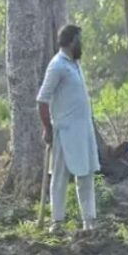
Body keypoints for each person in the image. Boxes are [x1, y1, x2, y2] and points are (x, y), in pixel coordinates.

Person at [37, 25, 100, 233]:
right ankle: (57, 222)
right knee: (59, 177)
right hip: (64, 132)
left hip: (82, 132)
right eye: (79, 39)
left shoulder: (75, 64)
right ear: (72, 41)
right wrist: (47, 128)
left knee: (86, 175)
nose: (81, 43)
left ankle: (89, 220)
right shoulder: (57, 66)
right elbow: (42, 100)